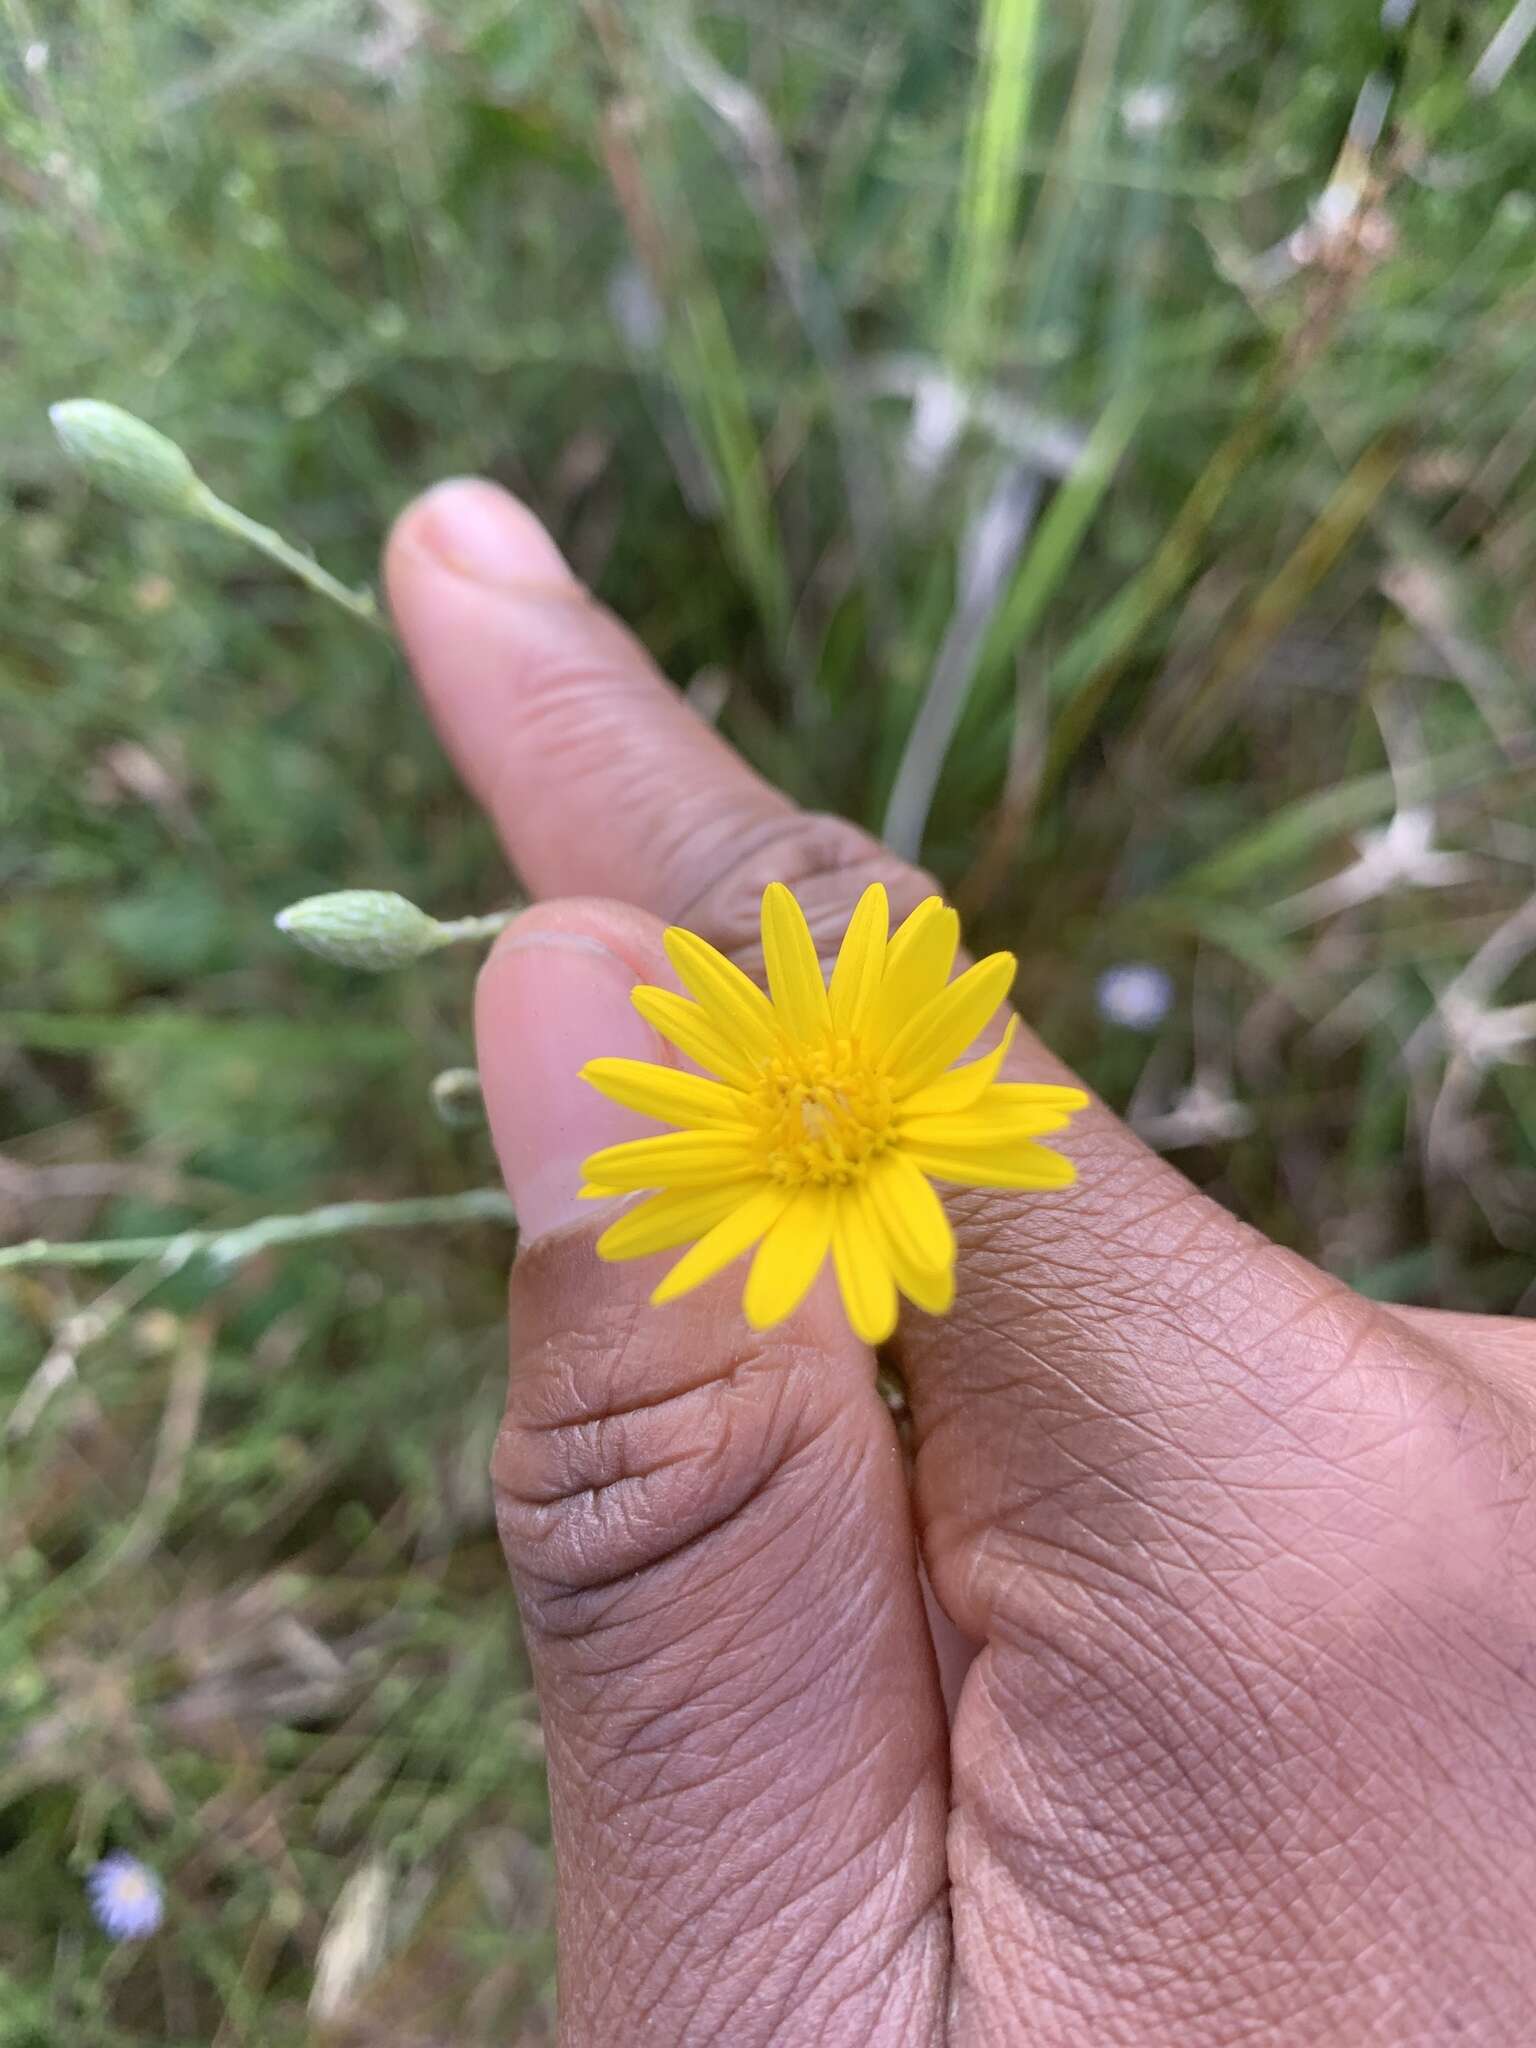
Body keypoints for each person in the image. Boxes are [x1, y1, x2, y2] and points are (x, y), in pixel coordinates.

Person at [386, 478, 1536, 2047]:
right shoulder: (768, 1142)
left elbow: (913, 1120)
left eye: (824, 1087)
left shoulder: (903, 1148)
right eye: (803, 1094)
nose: (812, 1103)